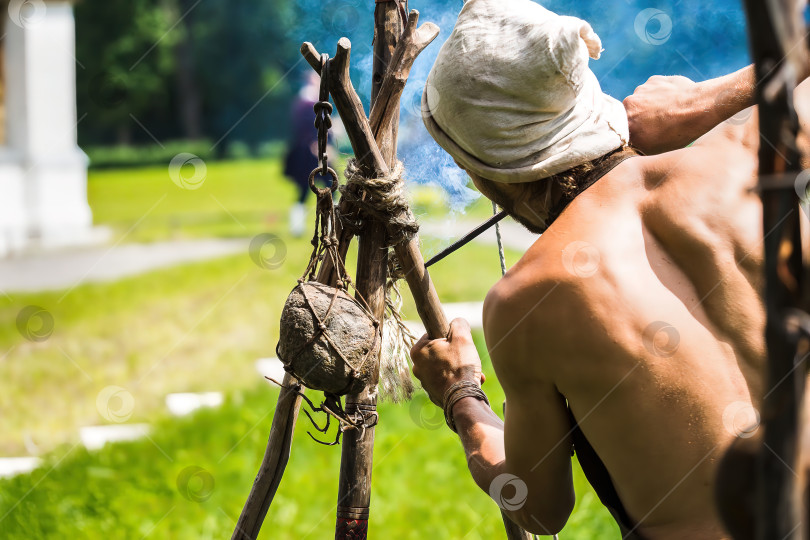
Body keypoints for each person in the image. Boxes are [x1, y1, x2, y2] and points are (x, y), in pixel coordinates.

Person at [410, 0, 809, 538]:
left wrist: (462, 396)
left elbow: (536, 507)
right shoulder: (747, 152)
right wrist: (707, 101)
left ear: (486, 171)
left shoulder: (525, 301)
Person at [284, 72, 342, 237]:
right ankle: (333, 225)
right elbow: (316, 128)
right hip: (314, 150)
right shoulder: (310, 104)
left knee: (303, 190)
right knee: (332, 185)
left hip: (305, 151)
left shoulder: (300, 102)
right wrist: (324, 145)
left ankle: (298, 227)